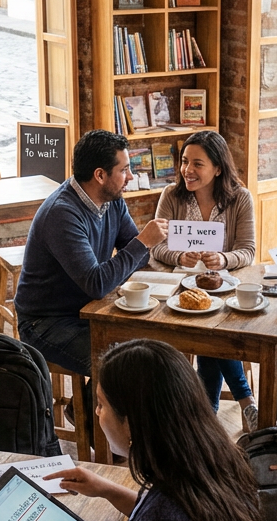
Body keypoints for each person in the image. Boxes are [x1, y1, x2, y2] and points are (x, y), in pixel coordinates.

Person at [12, 339, 267, 521]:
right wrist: (109, 490)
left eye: (101, 404)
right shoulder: (212, 462)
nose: (97, 413)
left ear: (131, 424)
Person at [14, 130, 169, 376]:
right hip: (46, 322)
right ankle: (89, 414)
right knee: (120, 365)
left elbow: (137, 256)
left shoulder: (112, 198)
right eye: (124, 170)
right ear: (99, 175)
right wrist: (143, 242)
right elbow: (97, 283)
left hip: (92, 309)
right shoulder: (62, 214)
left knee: (154, 350)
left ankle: (88, 411)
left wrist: (141, 246)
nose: (130, 176)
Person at [149, 131, 259, 429]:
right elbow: (156, 246)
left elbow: (248, 251)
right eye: (184, 162)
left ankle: (206, 417)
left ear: (218, 168)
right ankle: (243, 403)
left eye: (198, 164)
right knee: (212, 334)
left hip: (223, 289)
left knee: (213, 332)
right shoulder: (171, 196)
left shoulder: (240, 198)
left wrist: (223, 259)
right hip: (178, 290)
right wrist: (178, 256)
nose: (187, 170)